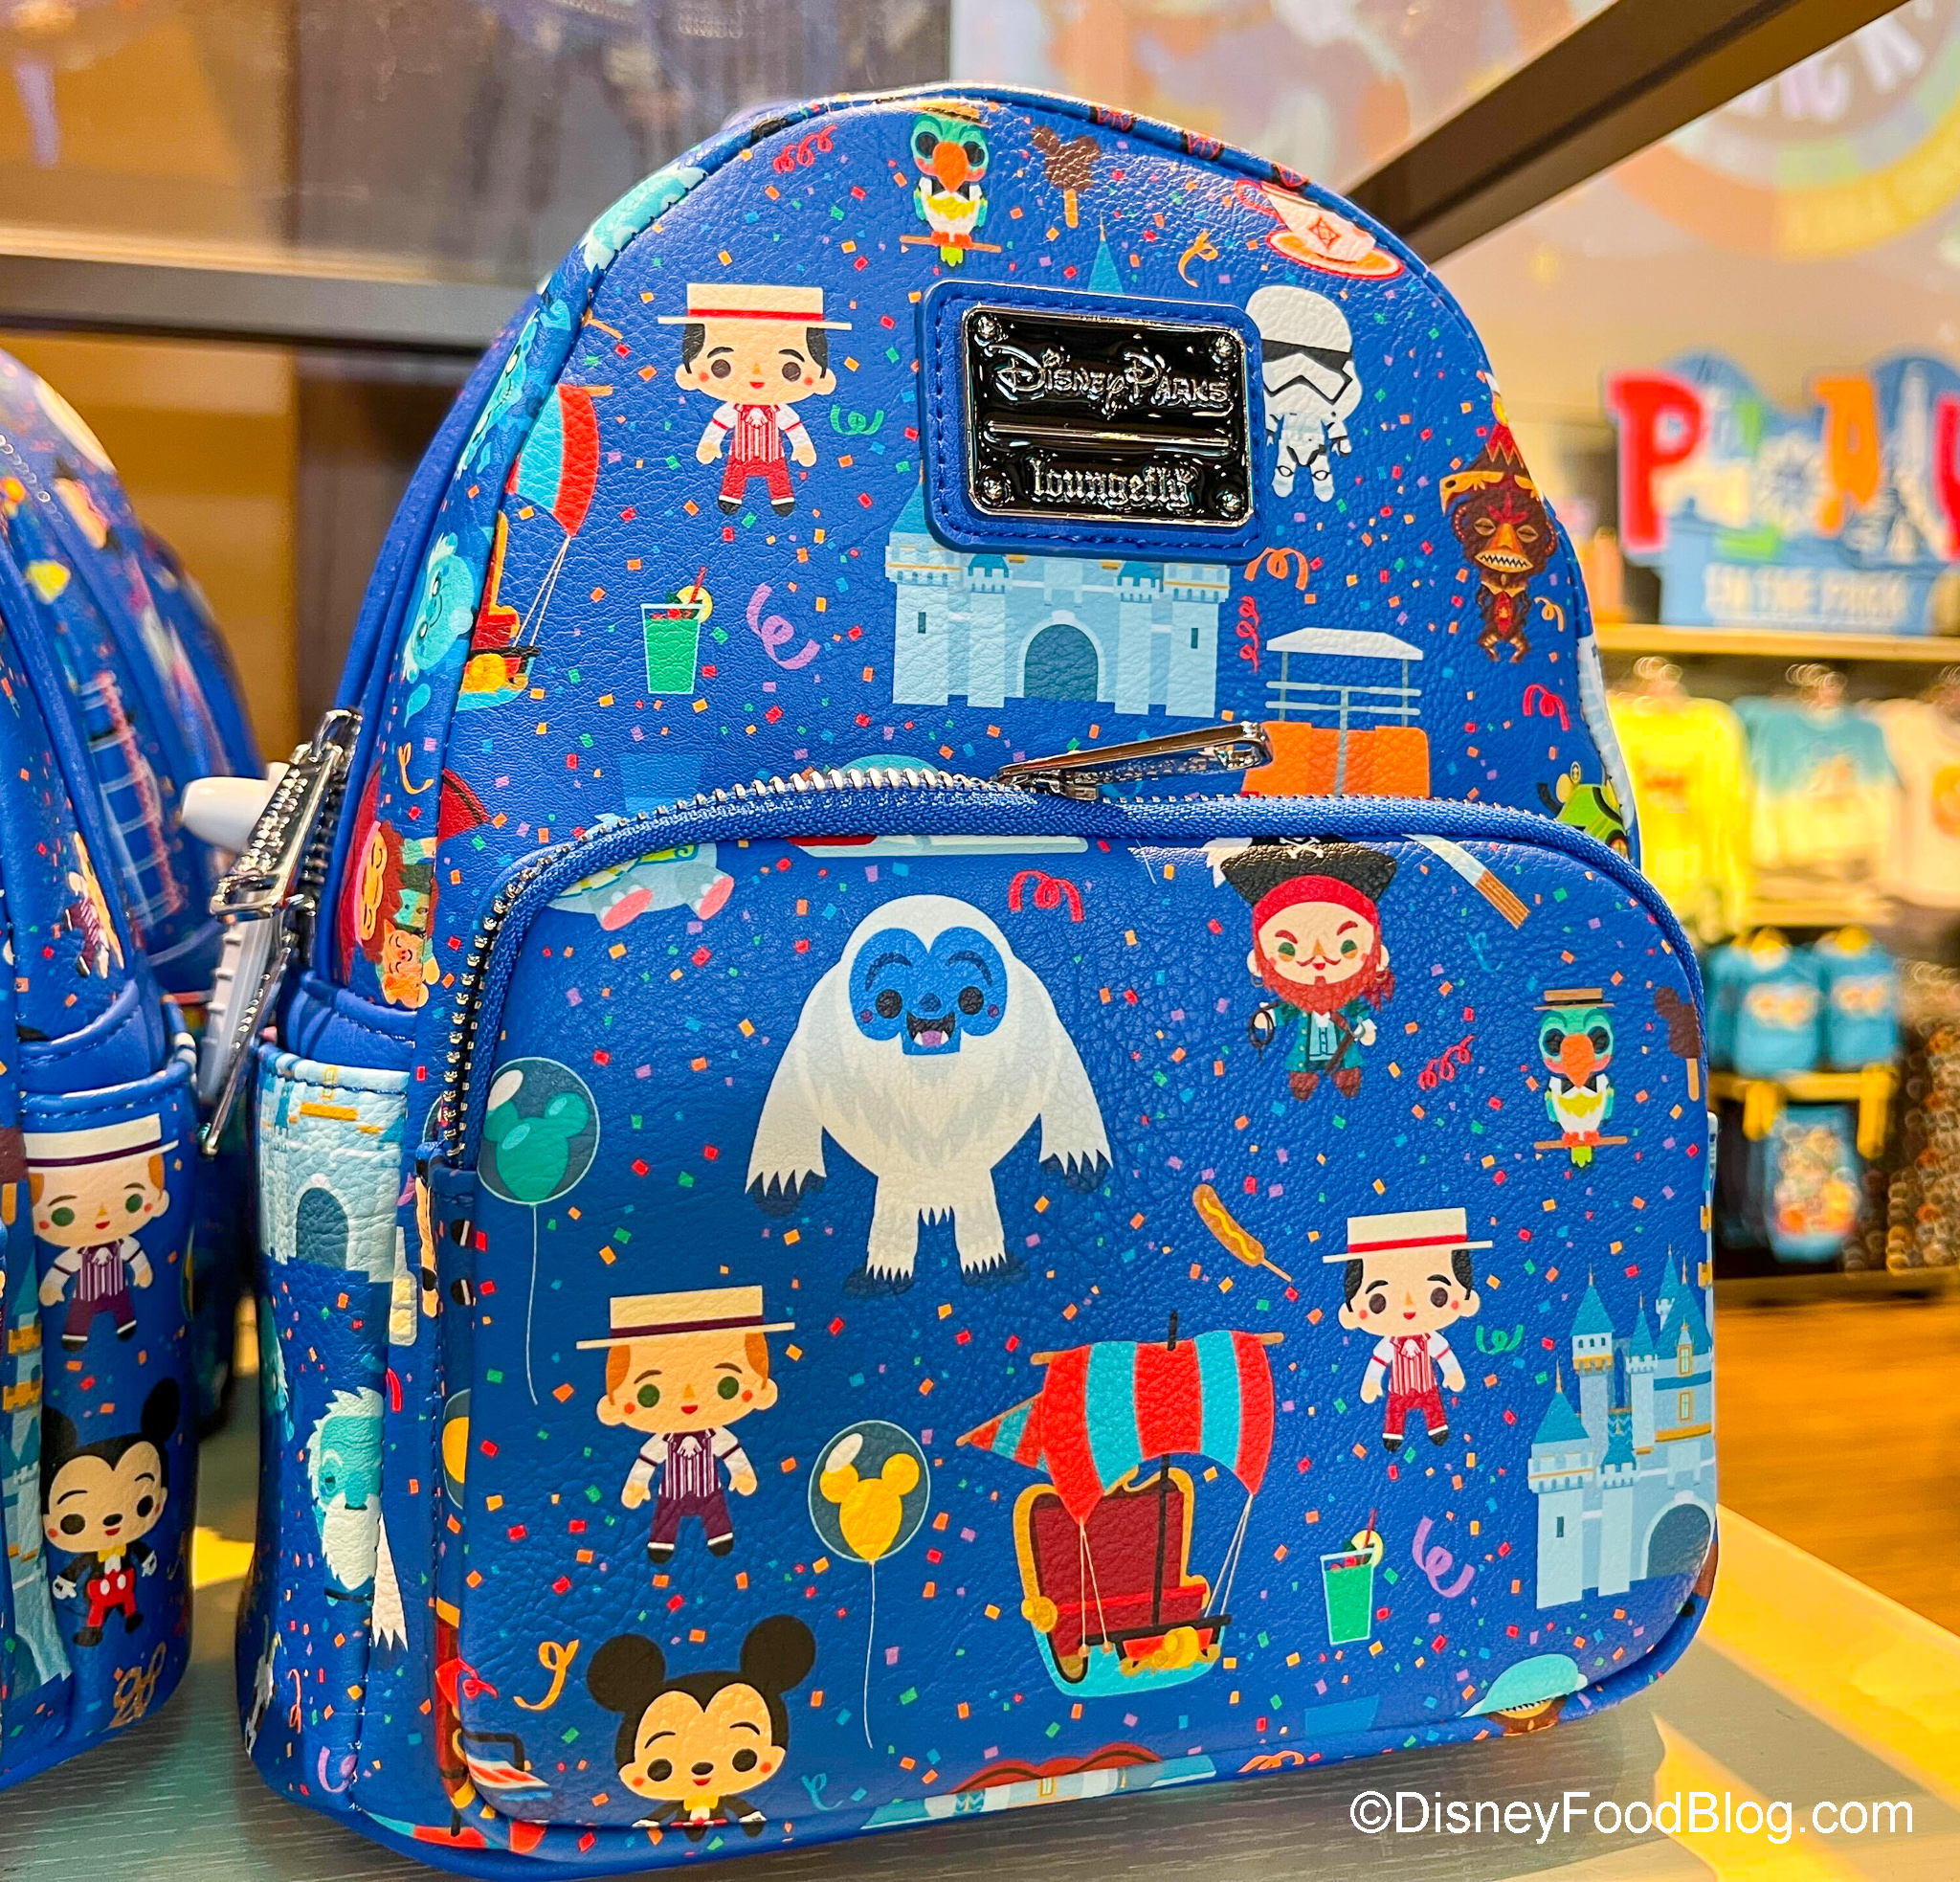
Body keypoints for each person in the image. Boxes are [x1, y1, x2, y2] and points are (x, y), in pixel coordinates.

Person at [581, 1287, 792, 1564]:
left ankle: (719, 1536)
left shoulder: (714, 1434)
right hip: (672, 1491)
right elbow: (648, 1460)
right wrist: (637, 1484)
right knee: (666, 1514)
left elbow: (731, 1452)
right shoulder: (665, 1440)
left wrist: (742, 1473)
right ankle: (662, 1542)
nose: (689, 1397)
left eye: (726, 1385)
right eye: (650, 1394)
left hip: (709, 1488)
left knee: (715, 1510)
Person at [661, 283, 848, 516]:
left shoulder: (779, 411)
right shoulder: (733, 410)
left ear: (820, 377)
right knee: (735, 473)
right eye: (722, 367)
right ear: (689, 373)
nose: (757, 375)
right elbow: (718, 426)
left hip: (773, 454)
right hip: (740, 454)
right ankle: (731, 497)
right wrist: (710, 443)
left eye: (790, 370)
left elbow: (793, 427)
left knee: (778, 474)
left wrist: (802, 446)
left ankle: (782, 498)